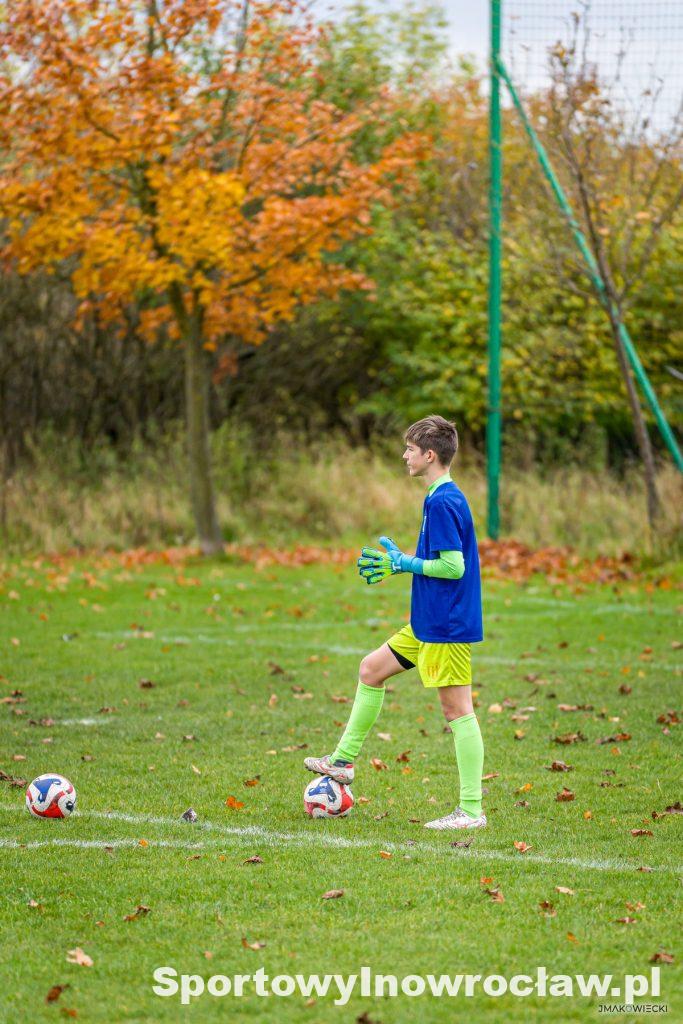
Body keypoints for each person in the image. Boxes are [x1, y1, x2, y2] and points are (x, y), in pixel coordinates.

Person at [304, 414, 486, 830]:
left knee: (457, 711)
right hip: (427, 622)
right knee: (371, 669)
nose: (405, 456)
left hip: (445, 627)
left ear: (430, 455)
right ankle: (342, 762)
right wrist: (402, 563)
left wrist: (404, 563)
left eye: (410, 449)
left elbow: (453, 567)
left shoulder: (443, 501)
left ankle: (471, 811)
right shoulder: (439, 496)